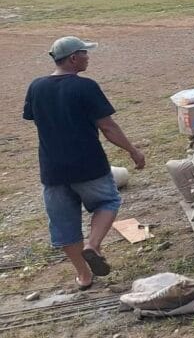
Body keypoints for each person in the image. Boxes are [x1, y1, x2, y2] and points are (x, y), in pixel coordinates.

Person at [22, 37, 146, 290]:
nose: (88, 57)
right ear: (73, 58)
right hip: (89, 165)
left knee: (65, 224)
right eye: (84, 53)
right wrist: (133, 151)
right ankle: (93, 245)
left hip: (53, 170)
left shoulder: (36, 87)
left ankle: (84, 275)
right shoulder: (85, 86)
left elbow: (37, 119)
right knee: (107, 202)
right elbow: (108, 127)